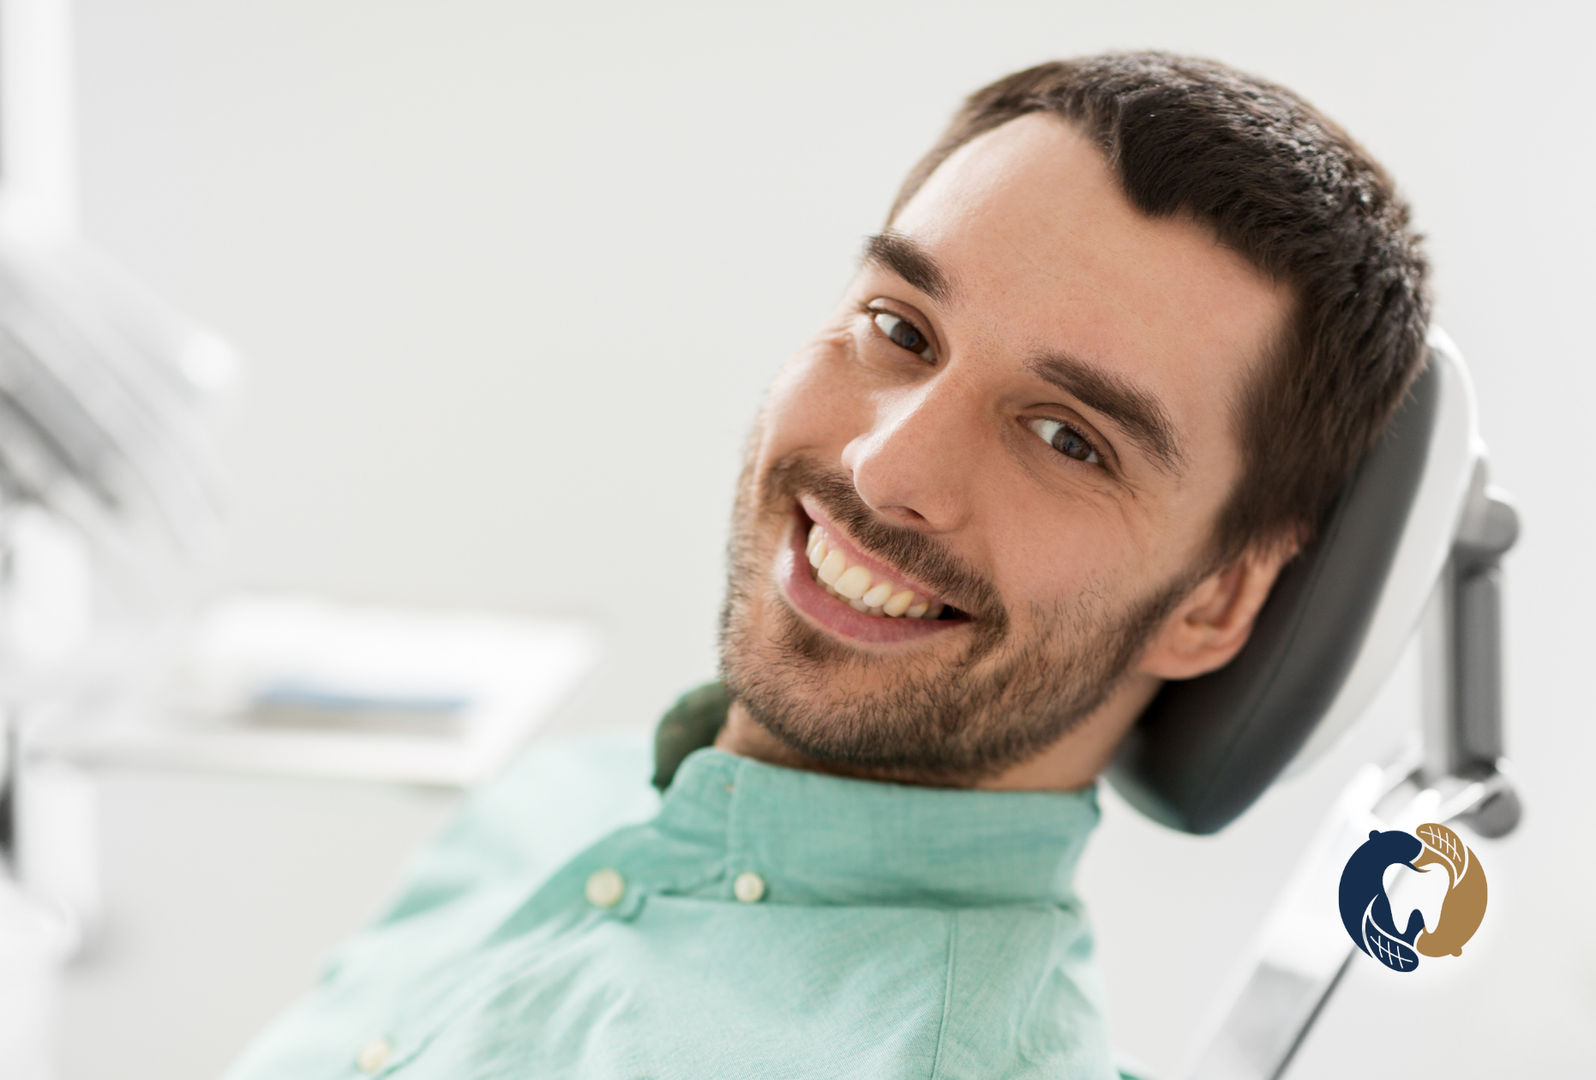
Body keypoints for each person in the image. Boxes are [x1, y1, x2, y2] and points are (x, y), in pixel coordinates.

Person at [222, 51, 1428, 1079]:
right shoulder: (559, 804)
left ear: (1218, 599)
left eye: (1068, 439)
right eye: (901, 328)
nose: (885, 463)